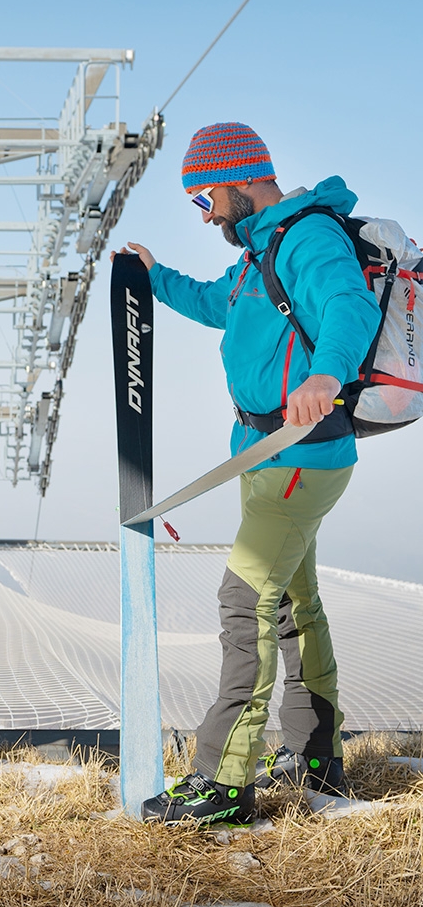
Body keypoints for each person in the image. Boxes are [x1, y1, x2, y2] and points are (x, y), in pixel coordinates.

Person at [114, 123, 381, 824]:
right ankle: (316, 754)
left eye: (205, 198)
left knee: (245, 602)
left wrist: (327, 372)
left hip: (302, 454)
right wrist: (153, 275)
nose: (205, 215)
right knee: (295, 605)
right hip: (266, 458)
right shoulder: (262, 248)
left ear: (238, 179)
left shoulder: (309, 238)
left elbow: (348, 307)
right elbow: (215, 304)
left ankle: (224, 783)